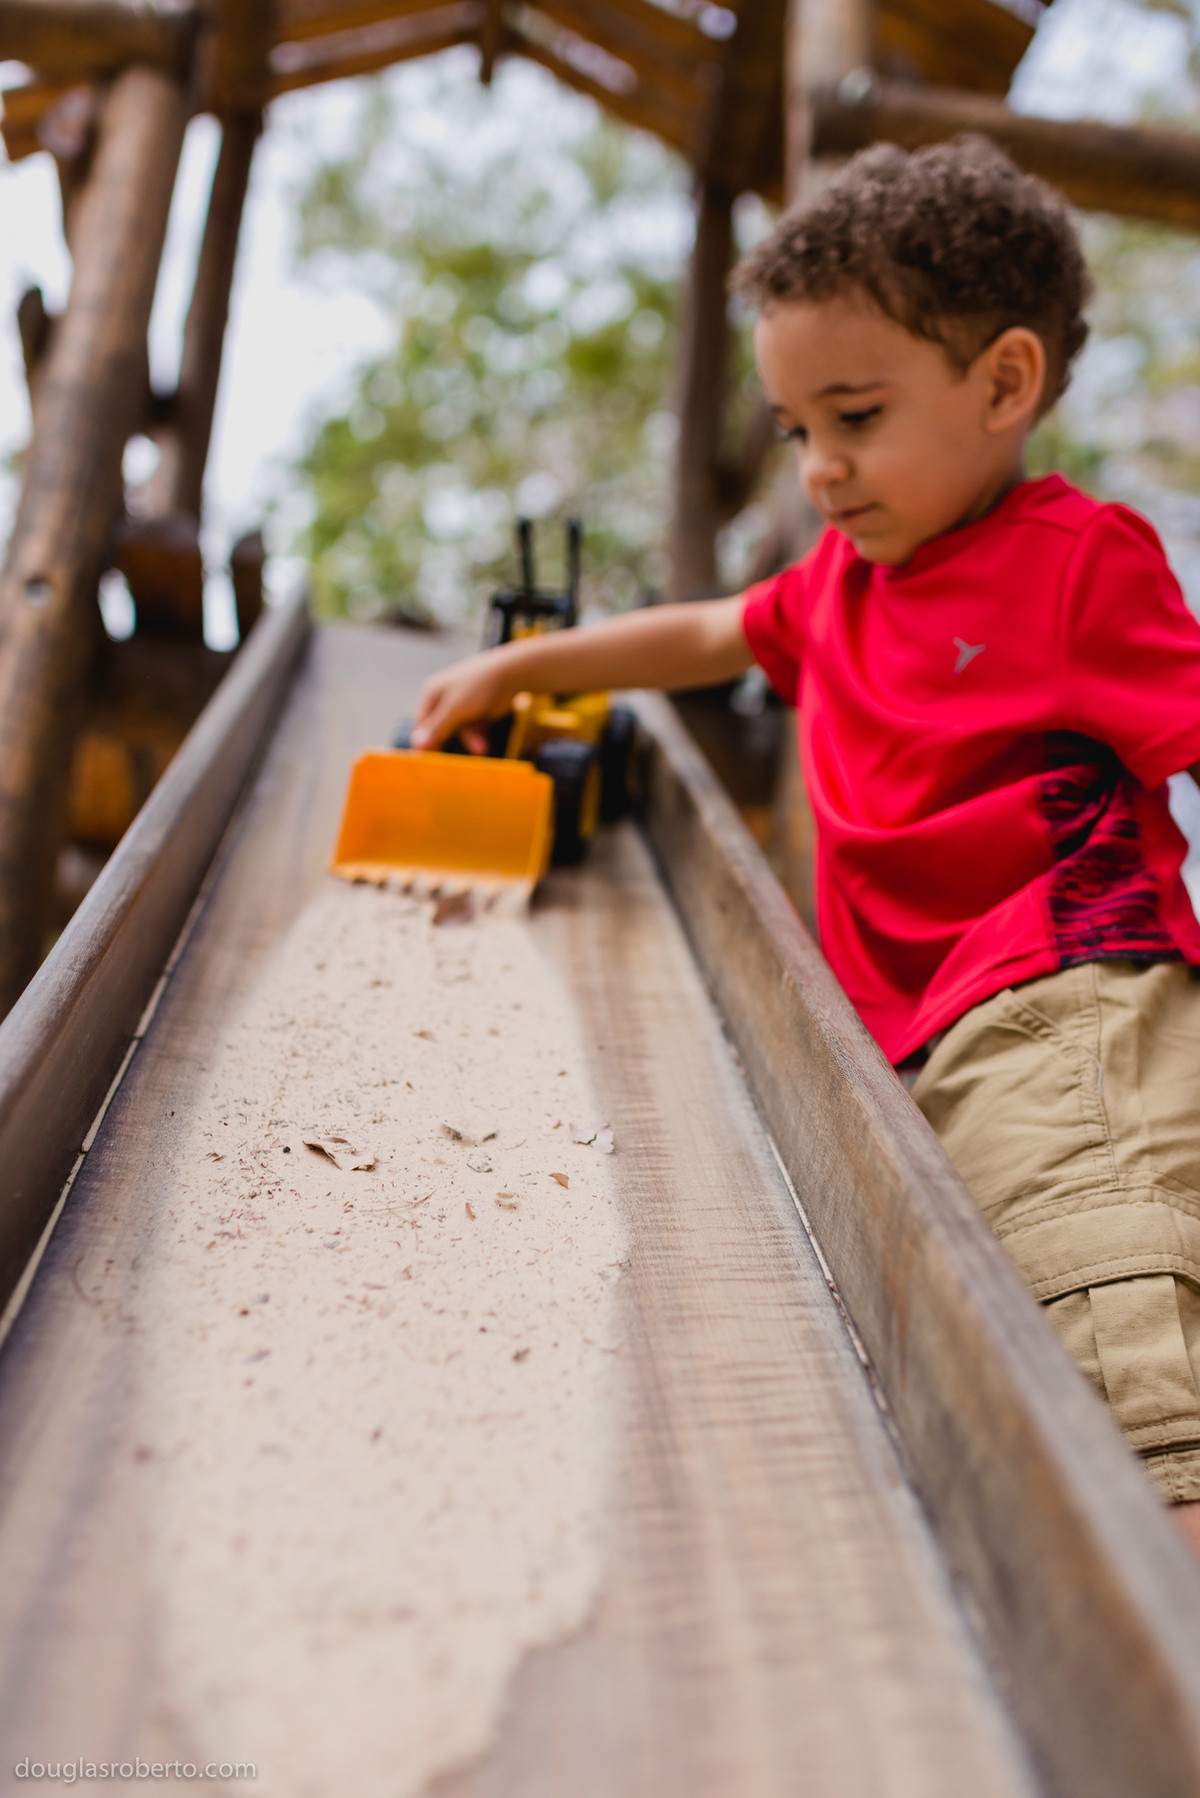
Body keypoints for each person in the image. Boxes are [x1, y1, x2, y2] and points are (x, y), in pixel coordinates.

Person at [412, 135, 1200, 1535]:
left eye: (855, 415)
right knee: (1001, 1396)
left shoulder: (1077, 561)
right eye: (795, 432)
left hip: (1065, 1021)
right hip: (916, 1053)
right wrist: (532, 668)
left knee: (1129, 1388)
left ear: (1005, 383)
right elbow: (718, 629)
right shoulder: (841, 576)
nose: (821, 470)